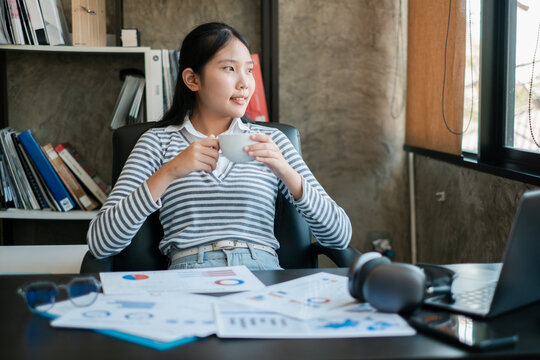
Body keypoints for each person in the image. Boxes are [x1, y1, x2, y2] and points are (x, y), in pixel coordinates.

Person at [87, 22, 352, 270]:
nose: (245, 83)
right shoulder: (157, 142)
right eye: (229, 68)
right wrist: (170, 172)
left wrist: (286, 172)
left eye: (248, 69)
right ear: (192, 79)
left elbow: (339, 236)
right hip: (188, 276)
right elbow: (101, 243)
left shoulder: (272, 142)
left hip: (264, 273)